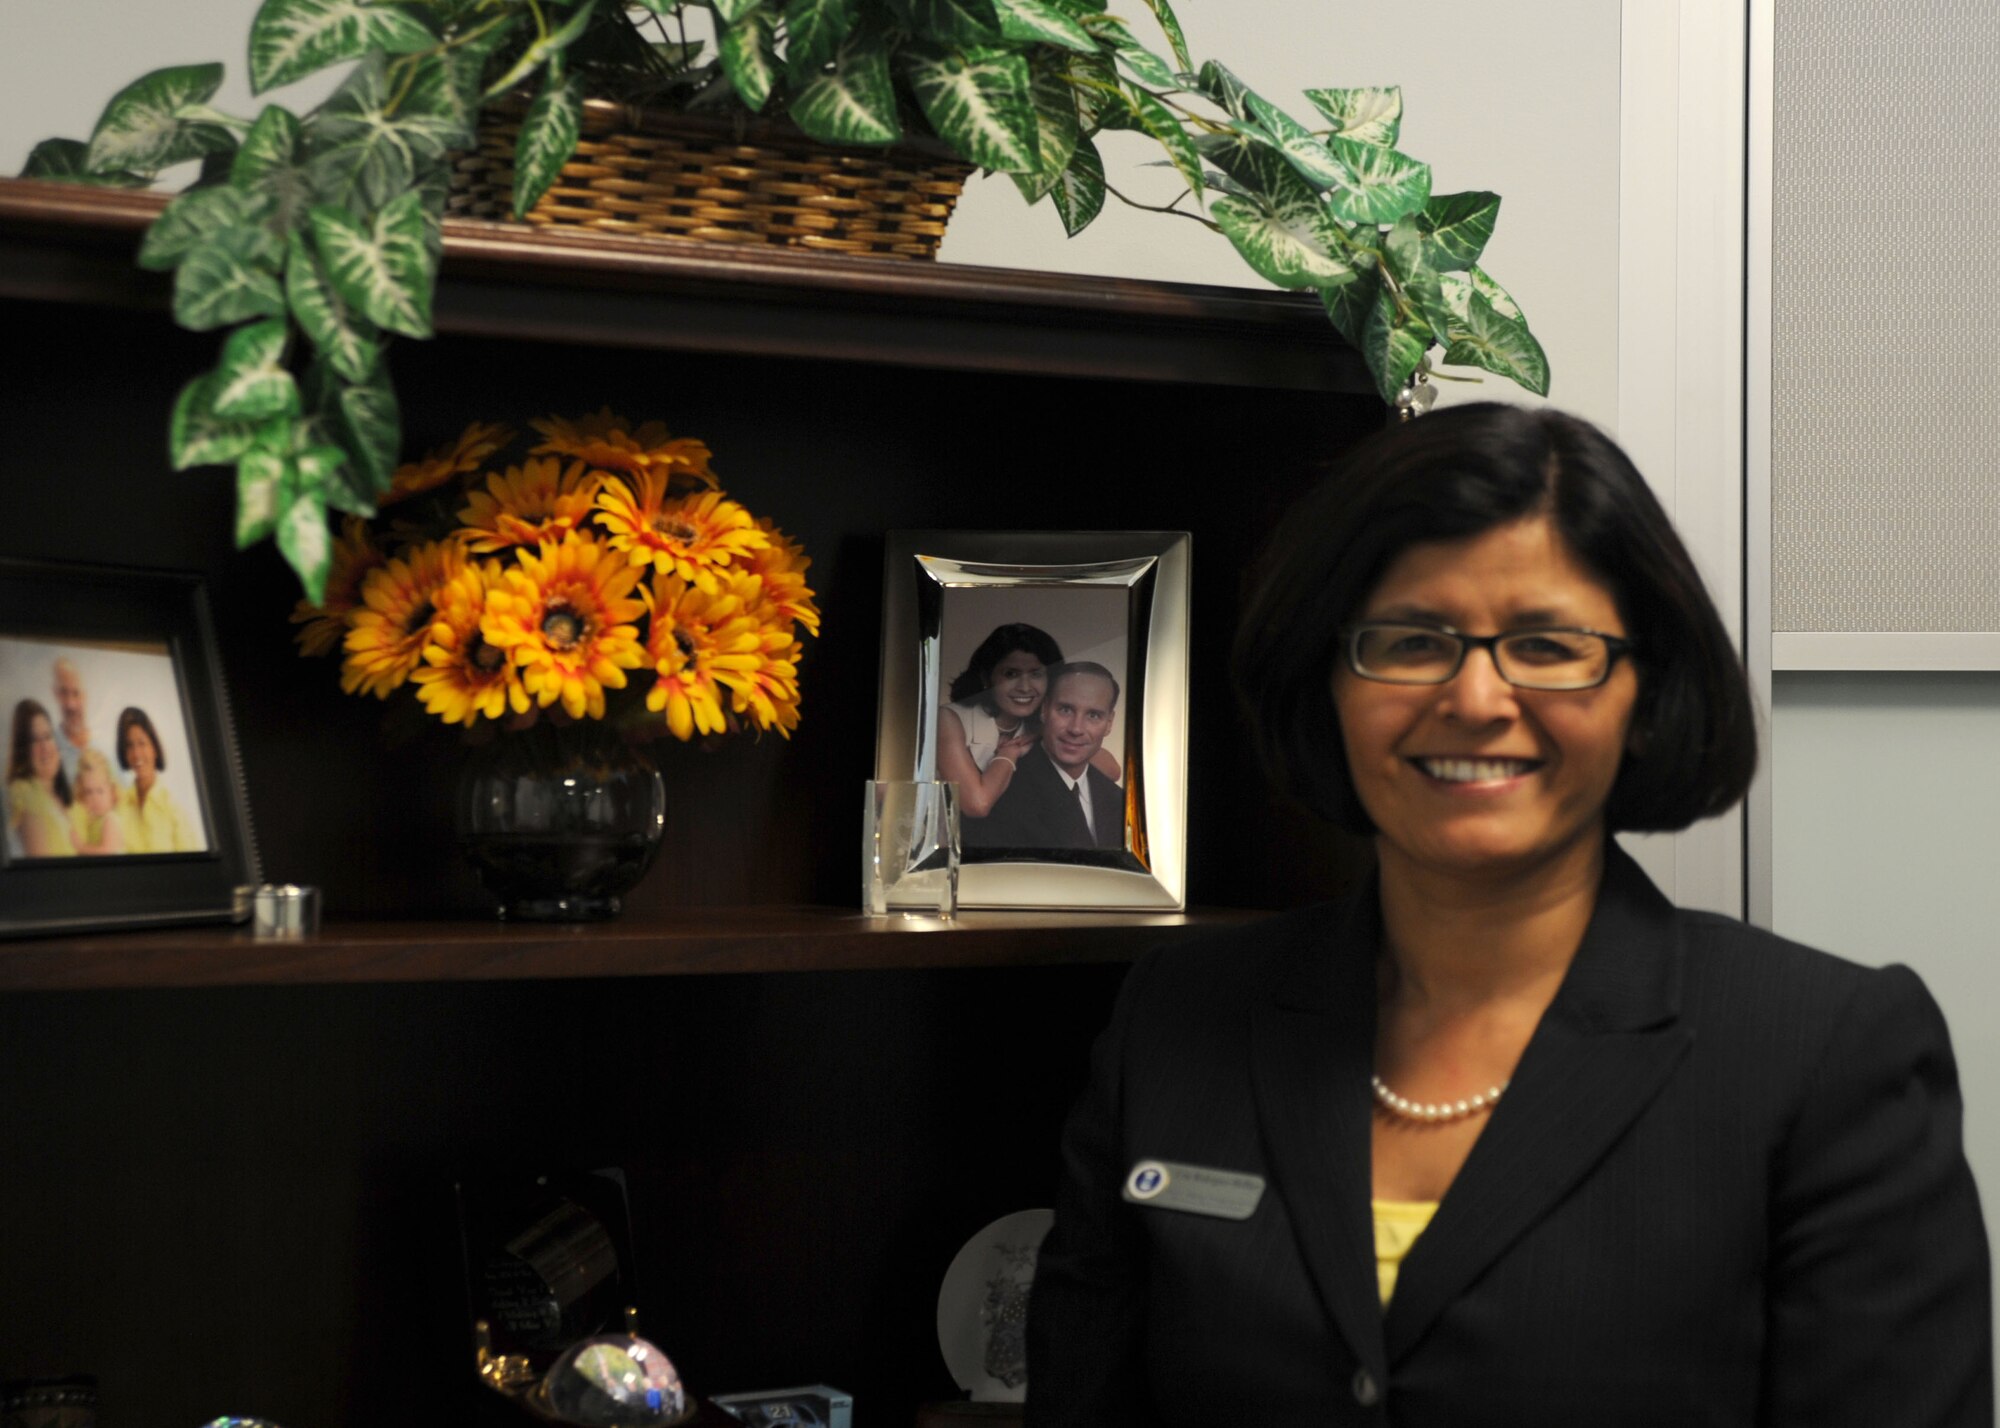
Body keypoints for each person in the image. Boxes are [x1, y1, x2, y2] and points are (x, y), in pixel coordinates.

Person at [1025, 404, 1990, 1427]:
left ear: (1641, 687)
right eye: (1408, 641)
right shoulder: (1178, 1017)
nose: (1476, 699)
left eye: (1543, 644)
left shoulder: (1824, 1057)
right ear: (1327, 679)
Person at [939, 624, 1118, 819]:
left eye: (1036, 674)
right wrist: (1009, 754)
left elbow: (1111, 770)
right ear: (987, 677)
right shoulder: (949, 719)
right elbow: (977, 804)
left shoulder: (1041, 723)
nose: (1025, 687)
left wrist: (1042, 735)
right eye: (1011, 674)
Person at [964, 663, 1124, 852]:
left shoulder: (1119, 801)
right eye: (1065, 710)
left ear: (1109, 723)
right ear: (1044, 709)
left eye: (1093, 715)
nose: (1076, 729)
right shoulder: (1001, 797)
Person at [115, 706, 200, 854]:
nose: (136, 754)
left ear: (154, 748)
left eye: (142, 743)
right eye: (129, 745)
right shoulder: (117, 806)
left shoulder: (174, 810)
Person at [6, 698, 76, 857]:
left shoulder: (63, 794)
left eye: (47, 736)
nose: (44, 746)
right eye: (34, 740)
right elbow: (42, 867)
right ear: (23, 749)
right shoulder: (23, 792)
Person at [68, 746, 126, 855]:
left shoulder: (110, 820)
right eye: (89, 792)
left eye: (100, 791)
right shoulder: (92, 820)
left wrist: (80, 847)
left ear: (112, 791)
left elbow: (107, 851)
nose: (95, 798)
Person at [50, 656, 93, 785]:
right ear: (55, 694)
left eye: (76, 693)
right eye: (64, 693)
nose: (70, 704)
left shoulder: (104, 747)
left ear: (85, 696)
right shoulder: (48, 751)